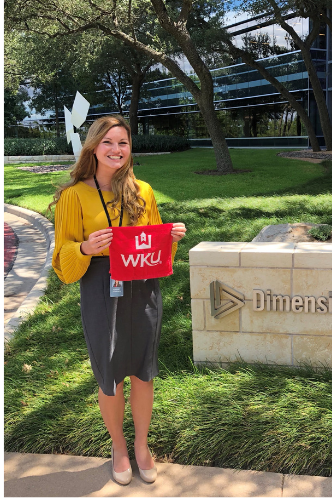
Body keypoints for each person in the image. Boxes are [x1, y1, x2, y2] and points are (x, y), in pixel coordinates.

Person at [50, 115, 186, 485]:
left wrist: (169, 237)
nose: (116, 149)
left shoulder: (143, 190)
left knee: (143, 371)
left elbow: (154, 246)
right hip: (100, 290)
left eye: (123, 143)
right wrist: (83, 247)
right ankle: (119, 446)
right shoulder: (74, 195)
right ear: (93, 147)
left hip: (141, 289)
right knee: (110, 375)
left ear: (130, 148)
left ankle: (142, 445)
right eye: (108, 142)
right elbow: (61, 262)